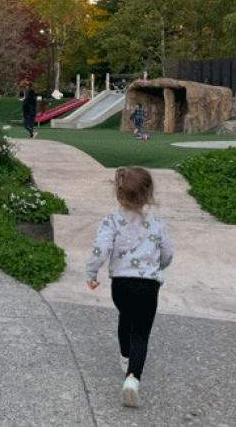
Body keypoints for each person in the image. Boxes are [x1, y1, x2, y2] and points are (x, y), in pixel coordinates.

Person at [85, 167, 174, 408]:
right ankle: (132, 379)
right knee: (141, 333)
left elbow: (100, 249)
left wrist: (91, 273)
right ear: (148, 195)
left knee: (126, 316)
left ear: (118, 193)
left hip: (121, 285)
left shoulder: (111, 220)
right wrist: (158, 266)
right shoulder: (157, 224)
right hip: (148, 286)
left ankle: (125, 356)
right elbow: (167, 253)